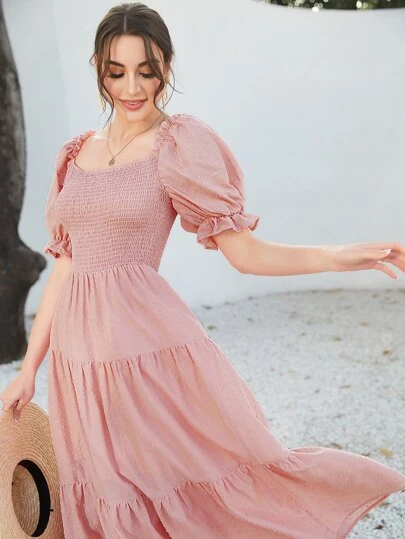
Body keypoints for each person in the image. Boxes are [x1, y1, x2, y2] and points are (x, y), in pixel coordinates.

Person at [1, 3, 405, 538]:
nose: (132, 87)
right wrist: (30, 368)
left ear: (166, 67)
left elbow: (246, 254)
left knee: (169, 485)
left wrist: (335, 256)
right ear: (98, 67)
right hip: (78, 360)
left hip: (143, 350)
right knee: (101, 489)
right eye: (117, 71)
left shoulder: (178, 146)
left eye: (146, 70)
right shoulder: (75, 154)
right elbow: (66, 267)